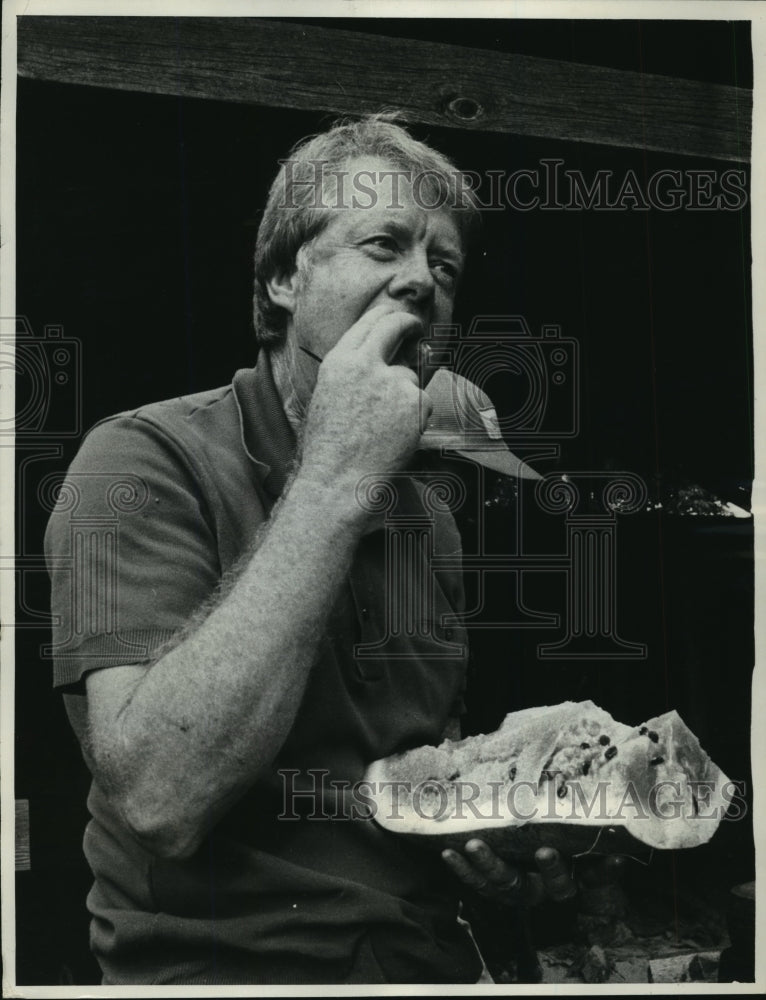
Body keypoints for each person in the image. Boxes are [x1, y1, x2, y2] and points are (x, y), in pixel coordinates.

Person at [45, 113, 573, 986]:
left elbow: (417, 776)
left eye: (444, 266)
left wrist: (498, 853)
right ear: (286, 277)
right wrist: (336, 476)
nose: (422, 281)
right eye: (384, 244)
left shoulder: (429, 518)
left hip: (424, 965)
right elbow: (160, 798)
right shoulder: (141, 459)